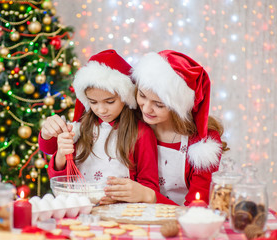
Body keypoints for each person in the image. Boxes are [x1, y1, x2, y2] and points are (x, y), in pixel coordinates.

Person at [105, 50, 229, 206]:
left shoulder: (202, 144)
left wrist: (149, 196)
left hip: (178, 225)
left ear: (178, 107)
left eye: (159, 105)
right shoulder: (132, 125)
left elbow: (197, 209)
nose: (146, 109)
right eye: (142, 95)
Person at [38, 49, 161, 204]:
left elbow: (149, 188)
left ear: (125, 96)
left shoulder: (141, 133)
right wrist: (62, 154)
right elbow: (60, 177)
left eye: (110, 102)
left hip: (121, 214)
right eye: (93, 102)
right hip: (80, 208)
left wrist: (121, 198)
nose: (101, 110)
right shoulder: (79, 129)